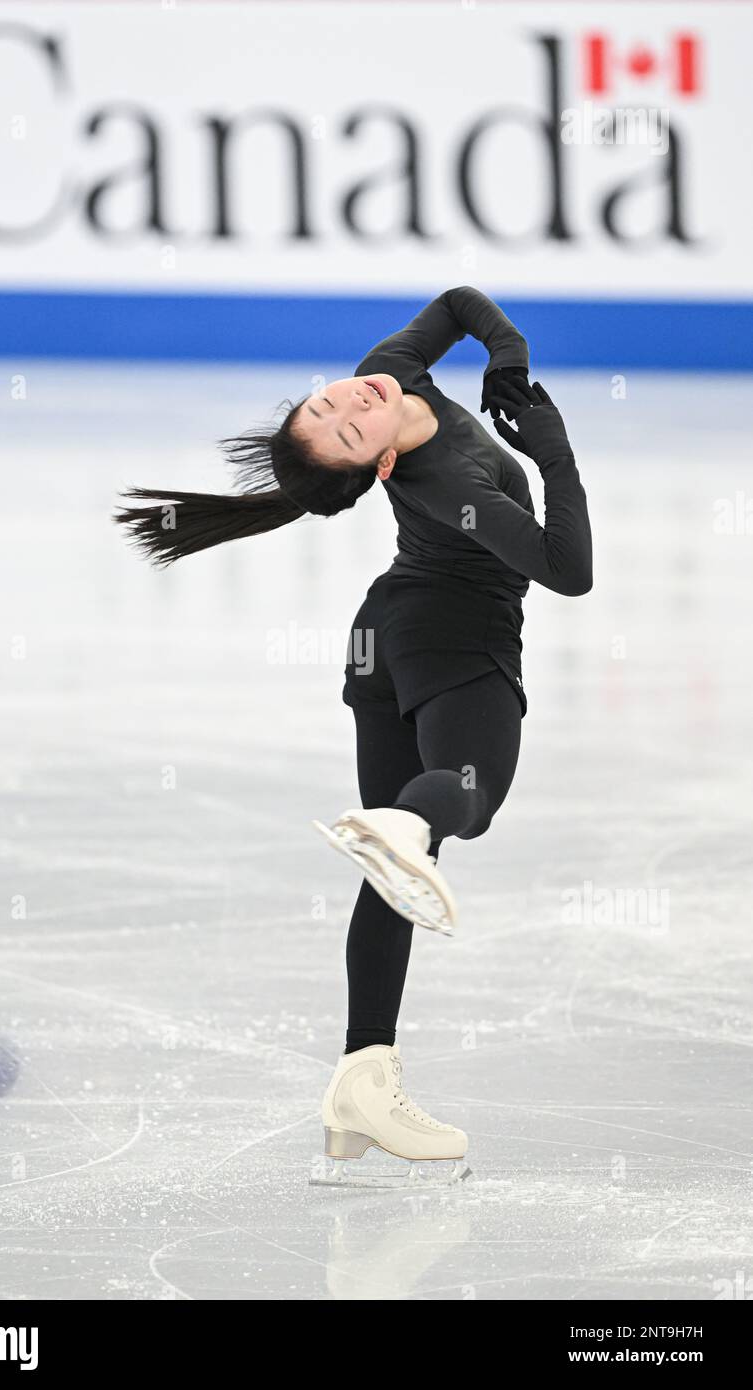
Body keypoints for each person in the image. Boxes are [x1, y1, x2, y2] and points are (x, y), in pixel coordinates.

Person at [115, 287, 593, 1180]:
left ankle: (361, 1080)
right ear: (374, 471)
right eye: (341, 428)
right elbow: (569, 572)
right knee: (468, 799)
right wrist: (554, 453)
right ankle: (413, 825)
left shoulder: (389, 375)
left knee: (394, 863)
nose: (350, 402)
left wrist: (507, 357)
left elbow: (456, 303)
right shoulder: (451, 489)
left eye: (325, 401)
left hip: (383, 639)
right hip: (455, 634)